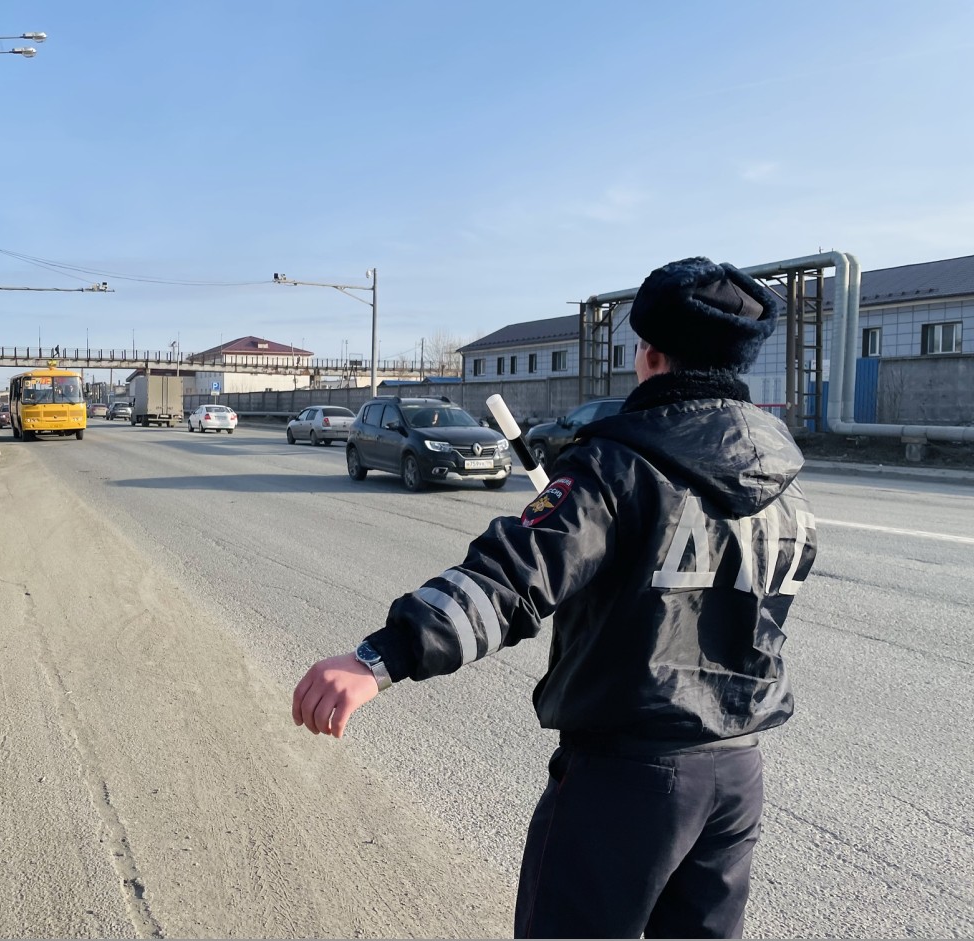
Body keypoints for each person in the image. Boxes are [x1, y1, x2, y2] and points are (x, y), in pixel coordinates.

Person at [291, 256, 818, 939]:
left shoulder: (617, 468)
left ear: (651, 356)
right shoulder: (787, 486)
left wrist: (381, 656)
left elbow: (509, 579)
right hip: (737, 776)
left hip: (626, 784)